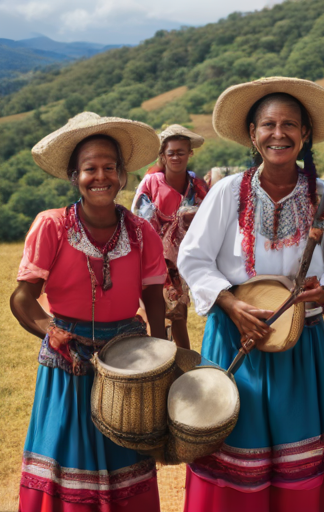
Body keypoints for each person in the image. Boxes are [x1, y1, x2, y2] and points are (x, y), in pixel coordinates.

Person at [177, 77, 324, 512]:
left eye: (290, 125)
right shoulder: (229, 193)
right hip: (234, 340)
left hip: (300, 351)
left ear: (305, 135)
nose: (278, 134)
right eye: (268, 124)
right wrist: (229, 303)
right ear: (252, 133)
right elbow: (194, 259)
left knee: (294, 470)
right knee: (231, 463)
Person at [10, 112, 167, 511]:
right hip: (70, 361)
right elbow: (23, 299)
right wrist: (49, 328)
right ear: (74, 175)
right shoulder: (52, 226)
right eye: (90, 168)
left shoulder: (140, 231)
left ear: (123, 174)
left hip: (127, 362)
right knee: (67, 457)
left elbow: (153, 300)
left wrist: (164, 362)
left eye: (109, 167)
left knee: (126, 453)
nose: (101, 177)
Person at [132, 124, 208, 349]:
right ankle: (168, 363)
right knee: (164, 318)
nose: (176, 157)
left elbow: (210, 221)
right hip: (155, 261)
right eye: (171, 153)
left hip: (188, 260)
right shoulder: (151, 183)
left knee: (179, 317)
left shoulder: (198, 186)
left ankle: (184, 363)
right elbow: (138, 222)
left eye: (181, 152)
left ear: (190, 153)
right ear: (163, 156)